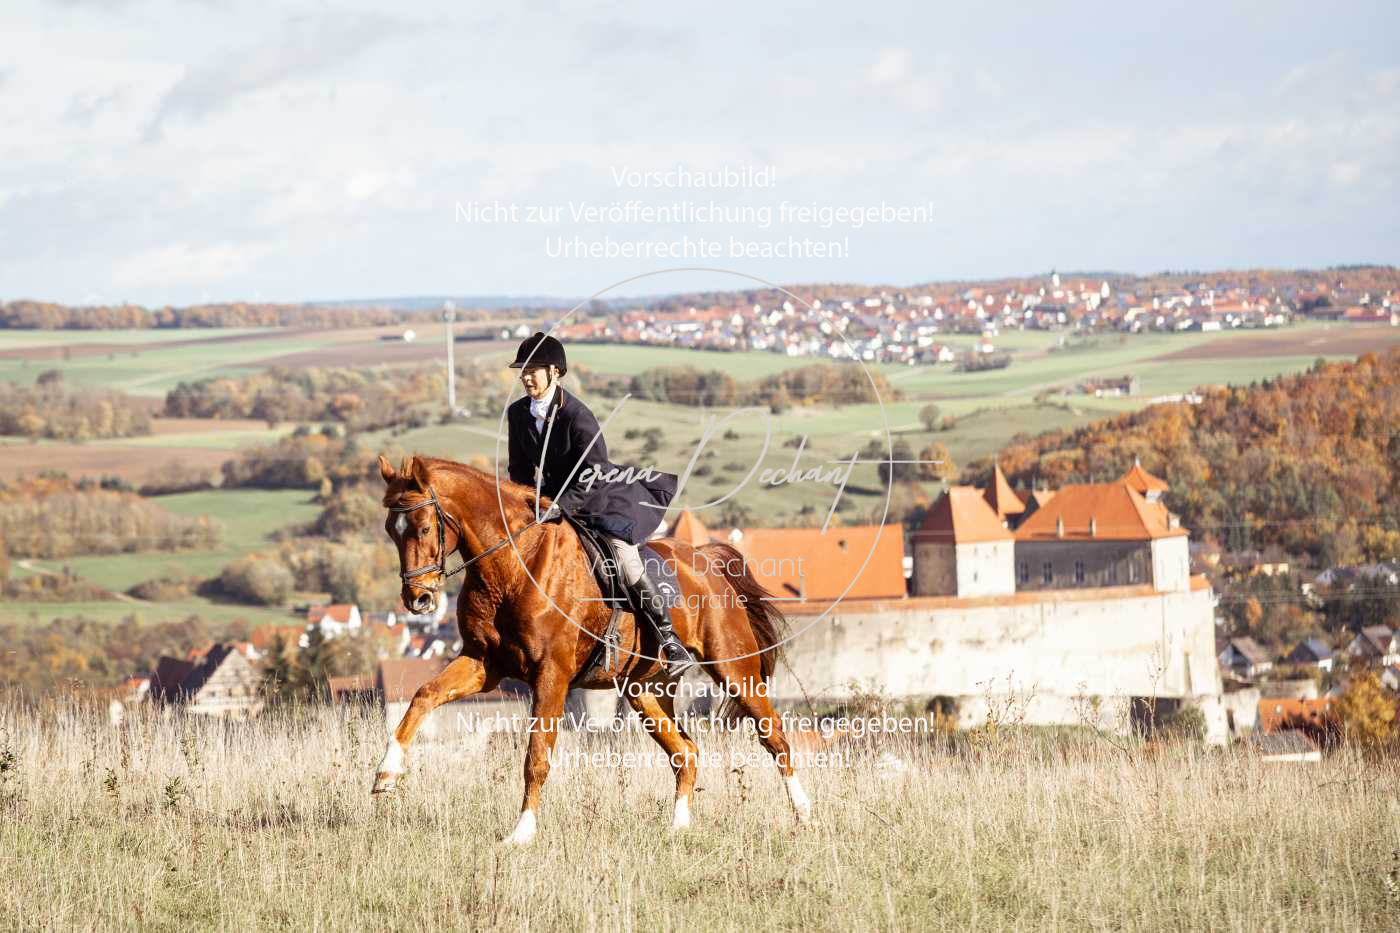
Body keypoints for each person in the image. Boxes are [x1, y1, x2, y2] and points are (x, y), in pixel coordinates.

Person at [504, 332, 693, 672]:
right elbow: (519, 470)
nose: (526, 378)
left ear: (554, 372)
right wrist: (524, 503)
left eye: (533, 370)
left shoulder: (577, 415)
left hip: (596, 498)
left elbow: (597, 472)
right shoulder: (518, 413)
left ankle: (670, 640)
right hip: (549, 500)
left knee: (625, 559)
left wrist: (562, 505)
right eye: (523, 371)